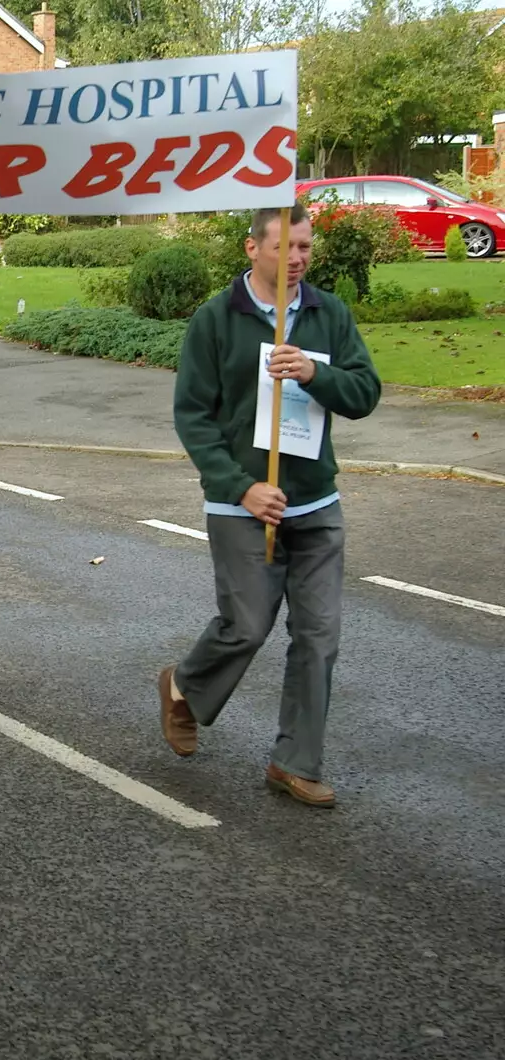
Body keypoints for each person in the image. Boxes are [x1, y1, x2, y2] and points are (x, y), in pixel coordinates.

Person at [158, 203, 381, 809]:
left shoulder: (327, 314)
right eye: (287, 247)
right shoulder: (215, 320)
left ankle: (295, 762)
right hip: (243, 507)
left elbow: (364, 393)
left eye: (306, 247)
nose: (299, 258)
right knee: (247, 627)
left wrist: (314, 372)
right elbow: (194, 418)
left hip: (317, 504)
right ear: (252, 248)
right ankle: (182, 686)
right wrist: (241, 487)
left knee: (320, 637)